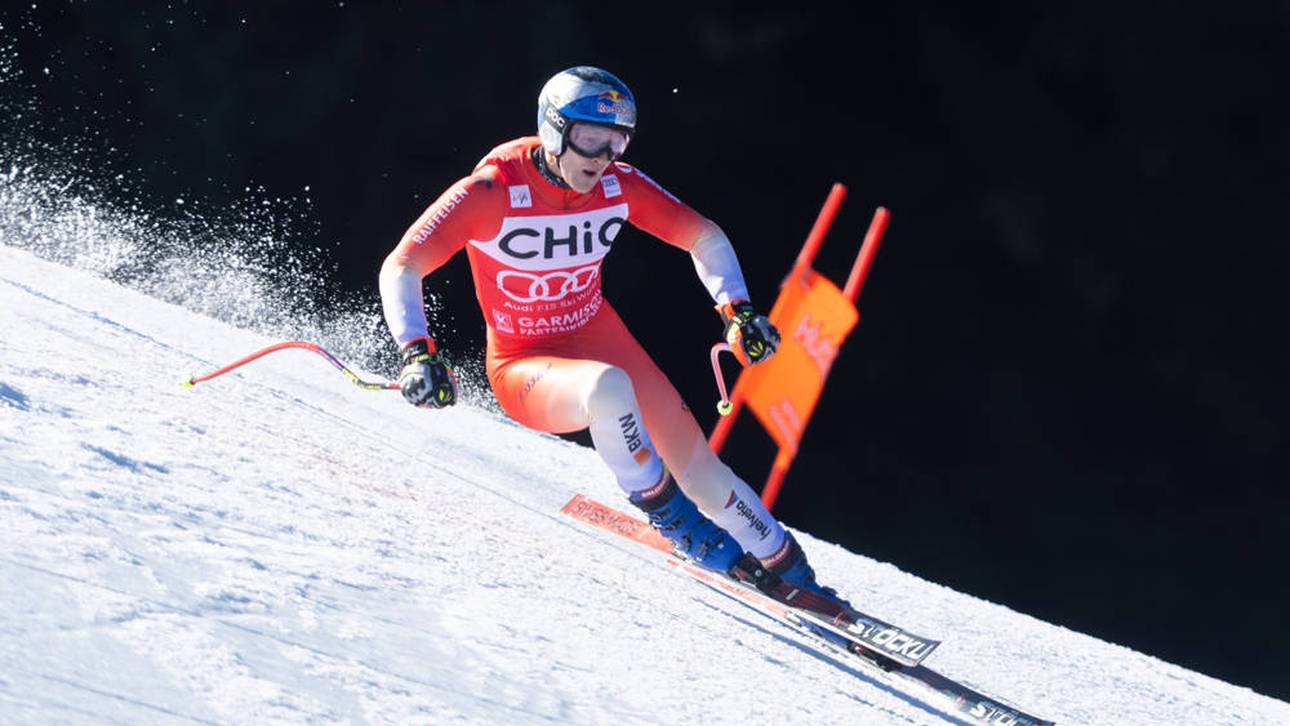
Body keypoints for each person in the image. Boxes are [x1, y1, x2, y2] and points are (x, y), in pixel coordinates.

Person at [379, 65, 836, 597]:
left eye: (615, 143)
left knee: (708, 478)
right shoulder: (492, 190)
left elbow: (703, 237)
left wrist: (737, 312)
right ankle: (678, 525)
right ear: (554, 130)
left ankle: (797, 574)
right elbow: (402, 265)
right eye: (591, 141)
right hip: (524, 365)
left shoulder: (618, 185)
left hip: (596, 335)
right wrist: (417, 352)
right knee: (607, 389)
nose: (601, 160)